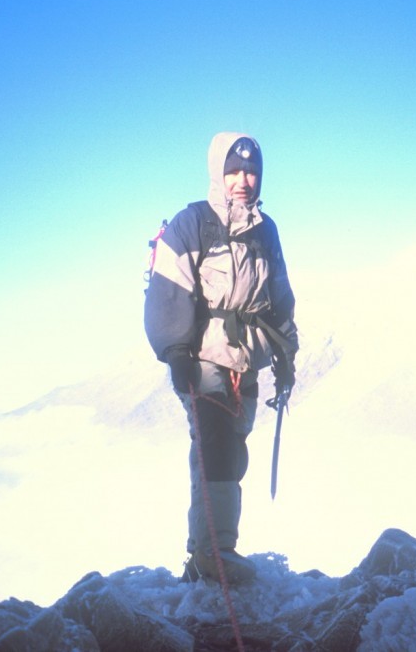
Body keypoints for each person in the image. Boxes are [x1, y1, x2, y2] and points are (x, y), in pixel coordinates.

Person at [144, 131, 298, 583]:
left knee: (232, 451)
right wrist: (176, 353)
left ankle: (204, 554)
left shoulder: (266, 232)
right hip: (204, 355)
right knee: (214, 446)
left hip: (248, 358)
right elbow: (168, 288)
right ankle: (214, 553)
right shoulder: (192, 223)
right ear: (218, 173)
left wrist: (287, 352)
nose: (242, 180)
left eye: (250, 172)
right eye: (233, 171)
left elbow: (280, 296)